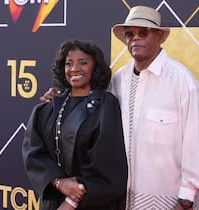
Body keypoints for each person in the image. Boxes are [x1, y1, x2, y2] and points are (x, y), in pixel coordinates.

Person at [41, 6, 199, 210]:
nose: (135, 38)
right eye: (130, 34)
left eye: (143, 32)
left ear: (159, 36)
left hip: (169, 200)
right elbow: (86, 103)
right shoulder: (118, 79)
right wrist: (59, 95)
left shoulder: (182, 81)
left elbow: (194, 142)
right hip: (118, 199)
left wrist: (186, 199)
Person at [22, 40, 128, 210]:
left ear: (95, 68)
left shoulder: (105, 105)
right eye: (68, 64)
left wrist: (71, 200)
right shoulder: (46, 109)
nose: (74, 69)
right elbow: (33, 153)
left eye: (83, 63)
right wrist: (58, 182)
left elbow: (107, 163)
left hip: (90, 203)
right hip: (52, 201)